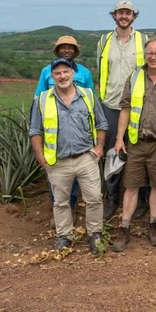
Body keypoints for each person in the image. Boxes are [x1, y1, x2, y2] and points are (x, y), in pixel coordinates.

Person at [29, 58, 108, 253]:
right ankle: (64, 236)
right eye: (57, 73)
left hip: (85, 158)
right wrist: (40, 156)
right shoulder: (43, 100)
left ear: (73, 73)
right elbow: (35, 130)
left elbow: (101, 123)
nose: (62, 76)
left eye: (66, 72)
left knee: (94, 198)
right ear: (52, 77)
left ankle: (95, 234)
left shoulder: (88, 95)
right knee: (61, 202)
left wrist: (98, 148)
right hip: (58, 161)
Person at [110, 39, 156, 252]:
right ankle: (124, 227)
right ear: (145, 55)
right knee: (131, 186)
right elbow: (126, 108)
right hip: (136, 143)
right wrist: (120, 138)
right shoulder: (136, 76)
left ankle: (153, 224)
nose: (153, 57)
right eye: (150, 53)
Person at [34, 35, 95, 224]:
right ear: (57, 50)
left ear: (75, 51)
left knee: (77, 177)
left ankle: (73, 207)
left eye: (70, 47)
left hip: (79, 135)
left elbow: (92, 102)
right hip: (56, 138)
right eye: (63, 47)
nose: (67, 50)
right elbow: (38, 100)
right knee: (59, 179)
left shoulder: (84, 73)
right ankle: (60, 213)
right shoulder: (47, 72)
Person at [97, 0, 148, 220]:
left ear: (133, 16)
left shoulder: (142, 40)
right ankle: (112, 198)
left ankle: (139, 199)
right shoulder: (104, 40)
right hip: (110, 104)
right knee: (112, 154)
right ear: (115, 15)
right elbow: (101, 69)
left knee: (138, 153)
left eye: (127, 12)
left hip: (137, 106)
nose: (124, 16)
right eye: (120, 12)